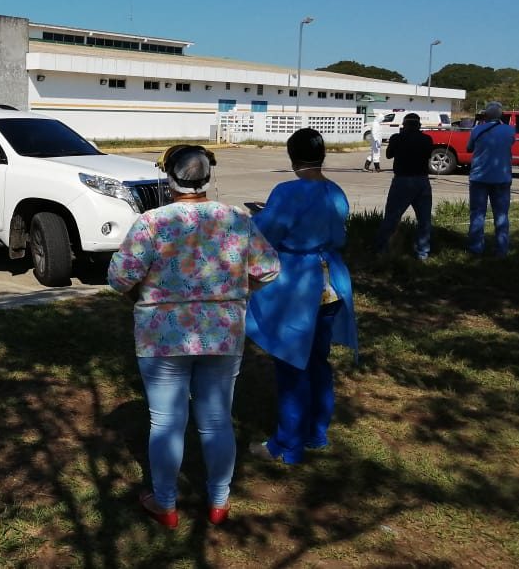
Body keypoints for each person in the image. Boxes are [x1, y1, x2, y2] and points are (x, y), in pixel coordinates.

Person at [107, 145, 280, 528]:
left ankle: (165, 503)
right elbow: (268, 270)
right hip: (223, 333)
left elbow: (119, 278)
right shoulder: (237, 218)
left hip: (161, 337)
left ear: (169, 178)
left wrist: (143, 292)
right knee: (217, 419)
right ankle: (219, 500)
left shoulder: (152, 222)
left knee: (166, 422)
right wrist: (238, 289)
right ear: (207, 177)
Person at [246, 127, 359, 465]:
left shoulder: (287, 191)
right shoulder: (334, 191)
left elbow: (268, 232)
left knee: (292, 366)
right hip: (331, 284)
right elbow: (339, 233)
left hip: (298, 287)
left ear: (291, 156)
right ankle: (316, 432)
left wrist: (257, 217)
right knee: (318, 363)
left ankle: (286, 445)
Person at [375, 113, 434, 260]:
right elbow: (428, 155)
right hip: (422, 180)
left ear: (404, 124)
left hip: (402, 180)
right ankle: (423, 252)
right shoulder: (427, 139)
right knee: (424, 219)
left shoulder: (397, 138)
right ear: (419, 125)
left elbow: (388, 155)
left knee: (392, 217)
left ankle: (382, 249)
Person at [466, 101, 515, 257]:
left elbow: (469, 148)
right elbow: (509, 144)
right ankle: (501, 249)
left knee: (477, 214)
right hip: (502, 177)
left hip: (479, 178)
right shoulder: (509, 130)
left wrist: (481, 124)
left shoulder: (477, 130)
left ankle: (476, 248)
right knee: (501, 215)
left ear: (485, 115)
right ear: (501, 115)